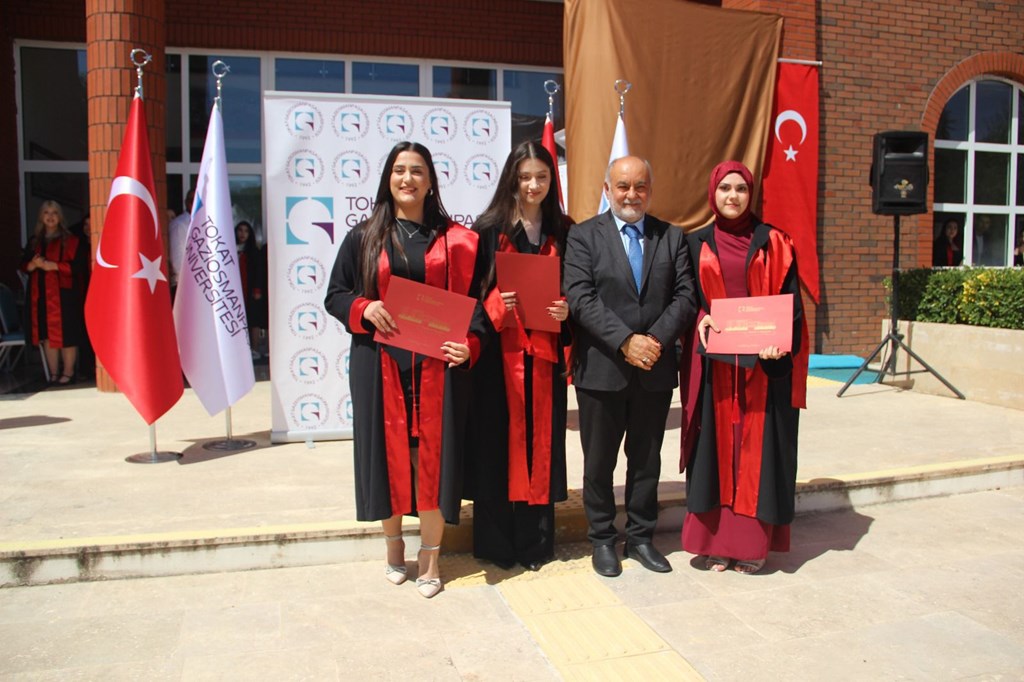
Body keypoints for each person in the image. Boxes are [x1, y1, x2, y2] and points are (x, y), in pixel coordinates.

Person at [324, 141, 489, 598]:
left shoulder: (458, 241)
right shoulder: (364, 237)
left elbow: (480, 306)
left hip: (438, 368)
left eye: (417, 170)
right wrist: (363, 307)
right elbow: (335, 294)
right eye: (399, 170)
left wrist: (470, 345)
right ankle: (394, 549)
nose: (407, 179)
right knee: (387, 458)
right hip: (380, 366)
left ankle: (431, 557)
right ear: (388, 178)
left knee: (433, 461)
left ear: (430, 180)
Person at [563, 155, 697, 577]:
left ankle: (640, 538)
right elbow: (580, 297)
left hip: (654, 369)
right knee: (598, 463)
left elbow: (686, 296)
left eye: (640, 186)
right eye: (623, 186)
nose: (631, 194)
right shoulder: (583, 236)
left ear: (650, 191)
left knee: (646, 462)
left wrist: (653, 340)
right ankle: (602, 539)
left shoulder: (671, 237)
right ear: (607, 190)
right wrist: (625, 341)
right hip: (602, 371)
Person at [680, 160, 809, 575]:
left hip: (761, 371)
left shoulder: (776, 242)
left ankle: (752, 546)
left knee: (755, 455)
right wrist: (700, 318)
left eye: (741, 189)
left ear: (751, 195)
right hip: (715, 369)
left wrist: (779, 344)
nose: (732, 196)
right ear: (712, 193)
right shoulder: (694, 243)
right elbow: (685, 299)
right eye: (725, 188)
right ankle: (716, 545)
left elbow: (792, 305)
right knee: (716, 455)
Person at [467, 141, 572, 571]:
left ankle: (534, 544)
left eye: (542, 177)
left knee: (540, 445)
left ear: (552, 181)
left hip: (543, 357)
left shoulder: (564, 230)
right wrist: (495, 304)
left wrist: (567, 310)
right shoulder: (488, 229)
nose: (533, 185)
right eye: (525, 176)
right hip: (498, 359)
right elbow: (469, 294)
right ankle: (496, 544)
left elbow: (579, 289)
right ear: (512, 177)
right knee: (496, 445)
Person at [19, 201, 86, 385]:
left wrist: (54, 266)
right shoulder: (34, 241)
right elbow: (24, 266)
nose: (50, 216)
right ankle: (54, 373)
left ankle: (68, 373)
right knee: (47, 335)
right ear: (41, 217)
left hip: (64, 295)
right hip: (40, 295)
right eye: (46, 212)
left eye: (54, 212)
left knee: (67, 335)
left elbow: (79, 266)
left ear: (60, 217)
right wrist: (33, 265)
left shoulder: (71, 240)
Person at [235, 220, 268, 360]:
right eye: (240, 230)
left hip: (250, 290)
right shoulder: (229, 248)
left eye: (246, 231)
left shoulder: (253, 251)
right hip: (234, 289)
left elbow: (258, 272)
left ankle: (254, 349)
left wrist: (257, 289)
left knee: (253, 319)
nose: (243, 234)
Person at [168, 188, 195, 301]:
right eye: (192, 201)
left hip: (201, 286)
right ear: (186, 202)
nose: (195, 204)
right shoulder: (179, 224)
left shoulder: (206, 224)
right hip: (184, 285)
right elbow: (177, 261)